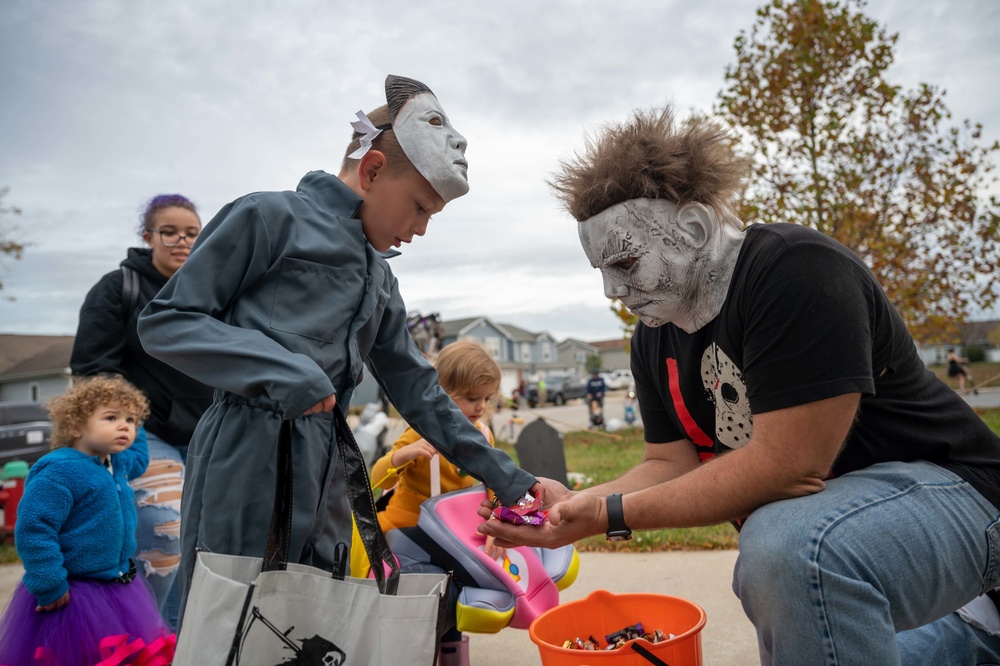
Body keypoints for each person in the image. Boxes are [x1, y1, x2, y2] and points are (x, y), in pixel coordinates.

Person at [479, 107, 1000, 664]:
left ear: (695, 229)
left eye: (626, 262)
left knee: (792, 549)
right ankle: (979, 635)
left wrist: (610, 515)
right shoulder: (653, 335)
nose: (612, 290)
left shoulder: (796, 270)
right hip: (863, 531)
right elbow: (670, 463)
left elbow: (789, 465)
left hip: (964, 497)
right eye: (601, 271)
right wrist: (580, 503)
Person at [137, 75, 541, 625]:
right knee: (228, 619)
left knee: (307, 626)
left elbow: (419, 390)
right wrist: (283, 372)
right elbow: (167, 321)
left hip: (328, 471)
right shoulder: (267, 218)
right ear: (373, 170)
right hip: (246, 459)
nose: (420, 230)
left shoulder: (380, 276)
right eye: (420, 207)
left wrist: (510, 480)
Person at [70, 193, 213, 629]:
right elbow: (93, 370)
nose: (180, 242)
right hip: (146, 434)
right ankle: (137, 639)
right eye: (168, 232)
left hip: (210, 435)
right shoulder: (119, 288)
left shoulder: (214, 290)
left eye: (191, 233)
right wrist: (123, 421)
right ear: (147, 236)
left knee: (199, 550)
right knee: (162, 533)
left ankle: (173, 647)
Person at [0, 375, 175, 664]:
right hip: (72, 593)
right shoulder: (59, 471)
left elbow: (140, 459)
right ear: (75, 425)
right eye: (111, 417)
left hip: (117, 585)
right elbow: (34, 529)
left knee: (119, 654)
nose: (124, 426)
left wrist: (138, 423)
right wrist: (48, 582)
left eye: (130, 420)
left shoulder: (115, 462)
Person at [369, 339, 504, 665]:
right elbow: (377, 477)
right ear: (441, 392)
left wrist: (497, 523)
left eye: (486, 399)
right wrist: (405, 455)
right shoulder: (420, 431)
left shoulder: (482, 434)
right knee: (419, 606)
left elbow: (493, 483)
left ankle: (453, 652)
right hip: (409, 528)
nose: (481, 407)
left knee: (452, 599)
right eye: (472, 398)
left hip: (451, 533)